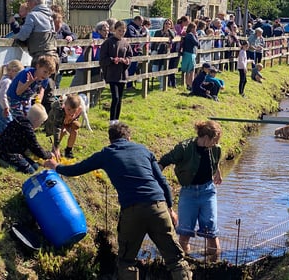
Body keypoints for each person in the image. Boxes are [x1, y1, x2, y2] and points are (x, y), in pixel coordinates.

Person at [44, 122, 192, 280]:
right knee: (176, 260)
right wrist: (170, 209)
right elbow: (163, 182)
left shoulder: (106, 154)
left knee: (126, 261)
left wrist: (56, 166)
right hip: (158, 207)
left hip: (132, 211)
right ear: (129, 137)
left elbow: (77, 169)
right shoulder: (143, 150)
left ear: (110, 140)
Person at [158, 120, 223, 262]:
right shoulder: (184, 148)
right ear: (206, 138)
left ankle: (213, 265)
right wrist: (155, 179)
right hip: (188, 192)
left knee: (211, 231)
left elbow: (215, 161)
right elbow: (165, 160)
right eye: (215, 140)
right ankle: (184, 265)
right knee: (185, 232)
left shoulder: (216, 149)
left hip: (208, 192)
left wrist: (218, 172)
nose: (216, 143)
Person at [0, 103, 53, 174]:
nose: (40, 125)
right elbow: (35, 147)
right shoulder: (27, 129)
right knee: (30, 171)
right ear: (36, 120)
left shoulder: (22, 120)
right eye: (41, 123)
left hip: (15, 150)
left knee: (35, 166)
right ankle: (1, 160)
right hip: (6, 152)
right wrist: (48, 155)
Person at [99, 20, 132, 125]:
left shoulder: (126, 43)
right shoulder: (108, 42)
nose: (121, 33)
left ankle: (116, 120)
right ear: (114, 30)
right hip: (112, 74)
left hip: (122, 74)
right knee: (115, 97)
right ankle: (112, 120)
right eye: (119, 30)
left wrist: (126, 60)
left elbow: (130, 56)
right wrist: (113, 60)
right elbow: (102, 60)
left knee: (120, 98)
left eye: (123, 31)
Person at [70, 21, 109, 107]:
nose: (106, 32)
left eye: (107, 30)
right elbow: (97, 55)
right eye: (104, 30)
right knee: (74, 87)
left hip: (95, 68)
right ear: (98, 31)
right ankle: (67, 104)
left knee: (97, 87)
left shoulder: (104, 40)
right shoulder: (95, 38)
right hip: (83, 67)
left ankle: (89, 105)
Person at [14, 0, 58, 68]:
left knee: (35, 78)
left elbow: (23, 36)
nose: (28, 3)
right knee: (50, 79)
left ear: (34, 2)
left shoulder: (32, 15)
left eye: (28, 1)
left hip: (40, 60)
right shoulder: (50, 16)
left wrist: (15, 37)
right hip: (54, 58)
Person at [0, 60, 24, 143]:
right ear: (11, 71)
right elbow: (2, 96)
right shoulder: (7, 82)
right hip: (2, 108)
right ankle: (4, 144)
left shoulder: (5, 78)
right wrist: (6, 107)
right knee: (7, 125)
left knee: (0, 125)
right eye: (18, 74)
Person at [44, 94, 82, 159]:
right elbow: (57, 128)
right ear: (65, 105)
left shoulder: (79, 110)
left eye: (74, 111)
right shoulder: (59, 109)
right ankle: (54, 150)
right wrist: (56, 146)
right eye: (69, 110)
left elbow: (75, 119)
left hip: (67, 121)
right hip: (54, 124)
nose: (71, 113)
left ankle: (68, 150)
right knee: (62, 131)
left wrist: (72, 118)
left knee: (75, 130)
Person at [52, 12, 78, 88]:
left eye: (59, 24)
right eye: (56, 24)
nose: (57, 27)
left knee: (57, 80)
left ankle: (56, 95)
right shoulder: (47, 29)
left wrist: (71, 37)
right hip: (50, 58)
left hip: (60, 57)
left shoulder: (63, 28)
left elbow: (73, 34)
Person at [151, 19, 175, 90]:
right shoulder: (158, 32)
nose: (167, 25)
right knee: (155, 69)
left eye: (169, 24)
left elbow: (173, 36)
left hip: (164, 52)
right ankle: (159, 81)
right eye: (166, 23)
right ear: (164, 24)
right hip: (157, 51)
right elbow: (153, 42)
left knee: (163, 69)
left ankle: (162, 86)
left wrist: (169, 30)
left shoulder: (170, 33)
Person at [124, 16, 146, 89]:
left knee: (134, 67)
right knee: (130, 68)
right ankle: (128, 85)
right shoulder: (130, 27)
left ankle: (130, 84)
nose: (142, 23)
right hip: (130, 51)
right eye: (141, 21)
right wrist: (141, 35)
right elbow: (131, 36)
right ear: (136, 20)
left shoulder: (137, 28)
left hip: (136, 51)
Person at [181, 22, 199, 91]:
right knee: (191, 70)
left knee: (187, 70)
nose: (195, 30)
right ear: (192, 29)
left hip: (187, 53)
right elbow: (197, 43)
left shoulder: (187, 35)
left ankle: (188, 84)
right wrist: (196, 36)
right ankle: (190, 85)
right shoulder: (191, 35)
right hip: (190, 54)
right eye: (195, 29)